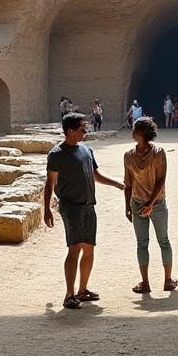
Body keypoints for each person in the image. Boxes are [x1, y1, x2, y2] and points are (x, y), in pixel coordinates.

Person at [43, 113, 124, 309]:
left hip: (88, 205)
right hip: (71, 206)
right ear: (70, 131)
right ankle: (69, 294)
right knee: (75, 248)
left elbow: (95, 175)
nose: (85, 132)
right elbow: (50, 182)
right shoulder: (57, 154)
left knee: (89, 247)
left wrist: (117, 184)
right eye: (81, 129)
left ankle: (83, 289)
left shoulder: (87, 150)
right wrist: (46, 209)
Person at [123, 117, 175, 294]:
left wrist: (130, 206)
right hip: (156, 203)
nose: (132, 131)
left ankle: (145, 283)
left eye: (135, 129)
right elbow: (159, 181)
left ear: (141, 133)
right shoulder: (158, 153)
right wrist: (148, 204)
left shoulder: (130, 155)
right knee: (164, 241)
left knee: (142, 243)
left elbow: (128, 184)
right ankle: (167, 280)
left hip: (141, 203)